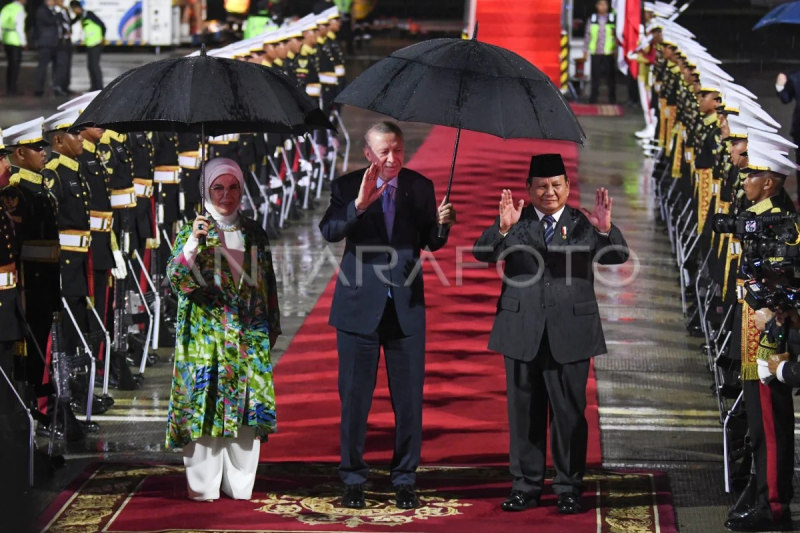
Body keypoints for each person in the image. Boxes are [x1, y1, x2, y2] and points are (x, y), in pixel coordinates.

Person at [472, 153, 629, 515]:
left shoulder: (581, 222)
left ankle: (568, 486)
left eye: (556, 185)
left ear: (567, 187)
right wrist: (503, 228)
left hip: (570, 330)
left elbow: (617, 257)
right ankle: (525, 485)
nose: (549, 192)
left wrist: (605, 229)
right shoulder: (517, 220)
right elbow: (482, 253)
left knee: (569, 413)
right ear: (529, 188)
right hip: (521, 328)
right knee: (523, 412)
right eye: (541, 186)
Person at [319, 121, 455, 510]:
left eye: (397, 150)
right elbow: (329, 229)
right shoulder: (347, 187)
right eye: (384, 152)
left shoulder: (420, 186)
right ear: (368, 154)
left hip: (406, 307)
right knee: (355, 401)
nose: (392, 158)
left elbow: (431, 240)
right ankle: (353, 478)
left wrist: (443, 225)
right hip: (359, 307)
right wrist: (360, 206)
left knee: (409, 401)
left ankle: (405, 478)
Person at [166, 157, 281, 502]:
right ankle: (203, 486)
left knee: (245, 409)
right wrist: (192, 245)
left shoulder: (254, 230)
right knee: (205, 405)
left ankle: (240, 483)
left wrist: (271, 325)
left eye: (233, 188)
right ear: (205, 191)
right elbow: (176, 280)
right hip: (205, 337)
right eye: (218, 187)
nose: (226, 195)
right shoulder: (192, 230)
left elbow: (267, 284)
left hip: (248, 335)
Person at [584, 0, 617, 104]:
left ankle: (612, 99)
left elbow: (617, 37)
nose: (603, 7)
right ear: (597, 6)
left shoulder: (612, 19)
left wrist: (616, 50)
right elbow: (587, 35)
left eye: (605, 4)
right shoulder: (592, 19)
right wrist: (585, 50)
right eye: (600, 4)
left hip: (609, 52)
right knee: (595, 77)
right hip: (596, 52)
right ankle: (593, 98)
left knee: (610, 77)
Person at [70, 1, 105, 91]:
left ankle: (99, 87)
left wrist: (102, 37)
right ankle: (94, 87)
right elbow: (71, 22)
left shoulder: (89, 14)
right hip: (89, 44)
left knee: (94, 66)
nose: (74, 12)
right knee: (90, 66)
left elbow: (102, 25)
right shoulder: (81, 16)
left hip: (96, 43)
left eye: (74, 9)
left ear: (77, 8)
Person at [34, 0, 63, 96]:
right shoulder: (42, 10)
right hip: (46, 43)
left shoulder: (50, 10)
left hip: (54, 43)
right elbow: (49, 21)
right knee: (42, 66)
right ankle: (38, 89)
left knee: (57, 65)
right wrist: (58, 15)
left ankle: (56, 86)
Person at [1, 0, 26, 96]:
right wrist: (24, 42)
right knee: (15, 66)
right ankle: (13, 89)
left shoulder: (6, 7)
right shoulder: (19, 9)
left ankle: (9, 88)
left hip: (6, 38)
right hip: (16, 39)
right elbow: (20, 27)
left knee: (10, 65)